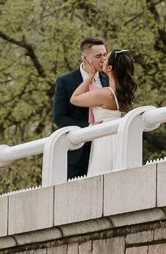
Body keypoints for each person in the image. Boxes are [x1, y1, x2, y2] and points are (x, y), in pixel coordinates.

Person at [69, 48, 137, 177]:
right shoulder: (123, 93)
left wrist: (90, 76)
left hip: (106, 141)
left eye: (105, 58)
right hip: (118, 139)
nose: (102, 60)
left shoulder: (105, 94)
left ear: (109, 68)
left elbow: (75, 99)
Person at [52, 38, 111, 179]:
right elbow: (60, 118)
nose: (103, 60)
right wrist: (88, 128)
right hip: (77, 151)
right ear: (85, 58)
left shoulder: (108, 79)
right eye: (98, 56)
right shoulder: (65, 81)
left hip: (105, 146)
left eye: (105, 55)